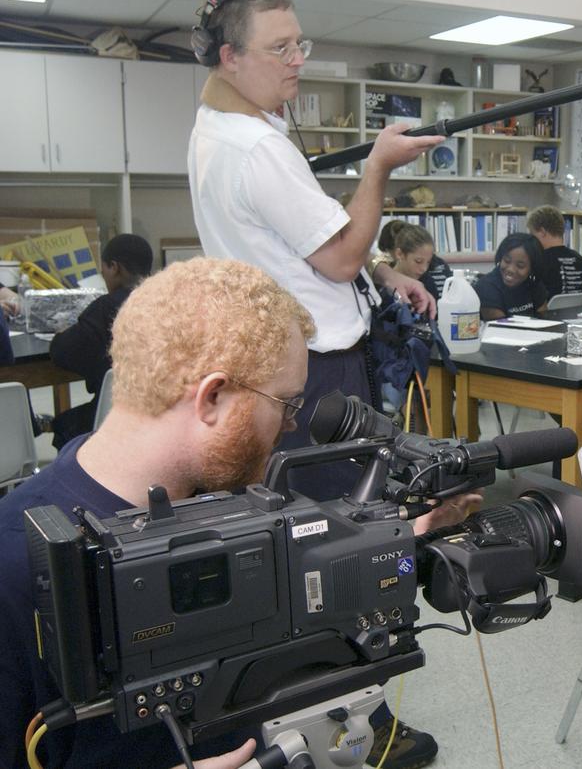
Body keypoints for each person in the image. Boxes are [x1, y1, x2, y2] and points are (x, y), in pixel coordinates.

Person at [0, 259, 481, 769]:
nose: (290, 426)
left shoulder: (220, 494)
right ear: (212, 396)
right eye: (286, 403)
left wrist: (394, 542)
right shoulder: (17, 566)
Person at [187, 0, 440, 499]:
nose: (297, 59)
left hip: (286, 366)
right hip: (315, 373)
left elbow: (311, 245)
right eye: (279, 48)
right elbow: (342, 260)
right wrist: (377, 170)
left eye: (298, 44)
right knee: (337, 519)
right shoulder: (258, 149)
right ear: (229, 56)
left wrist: (384, 269)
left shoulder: (214, 125)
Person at [48, 234, 153, 447]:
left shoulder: (106, 309)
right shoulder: (168, 302)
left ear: (114, 267)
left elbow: (62, 352)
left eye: (103, 269)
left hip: (117, 418)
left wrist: (63, 333)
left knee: (65, 425)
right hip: (163, 416)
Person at [474, 233, 548, 321]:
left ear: (532, 268)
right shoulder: (486, 287)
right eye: (507, 261)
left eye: (520, 266)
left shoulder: (535, 284)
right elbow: (500, 326)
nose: (511, 269)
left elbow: (544, 319)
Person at [526, 205, 582, 298]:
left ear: (542, 232)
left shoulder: (538, 261)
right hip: (573, 312)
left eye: (532, 234)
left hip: (545, 312)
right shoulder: (581, 261)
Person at [386, 221, 452, 301]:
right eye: (418, 261)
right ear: (399, 254)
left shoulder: (428, 282)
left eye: (428, 262)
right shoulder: (384, 281)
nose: (424, 269)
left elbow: (434, 312)